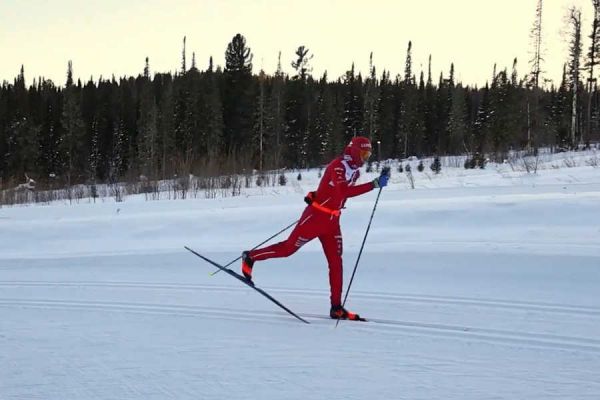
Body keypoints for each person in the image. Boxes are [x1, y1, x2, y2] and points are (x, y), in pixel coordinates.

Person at [240, 136, 390, 320]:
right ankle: (251, 256)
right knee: (288, 249)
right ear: (354, 150)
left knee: (336, 263)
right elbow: (342, 190)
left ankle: (336, 307)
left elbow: (336, 193)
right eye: (363, 153)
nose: (365, 158)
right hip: (315, 217)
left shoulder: (355, 171)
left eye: (368, 154)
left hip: (332, 221)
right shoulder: (338, 165)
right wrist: (374, 184)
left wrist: (317, 194)